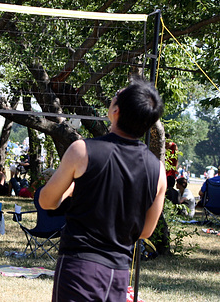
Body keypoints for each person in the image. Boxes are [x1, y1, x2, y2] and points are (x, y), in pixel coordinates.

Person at [40, 79, 166, 301]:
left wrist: (72, 188)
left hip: (79, 268)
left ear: (116, 110)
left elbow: (47, 201)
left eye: (117, 93)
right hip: (118, 273)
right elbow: (146, 232)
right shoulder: (158, 170)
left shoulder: (82, 150)